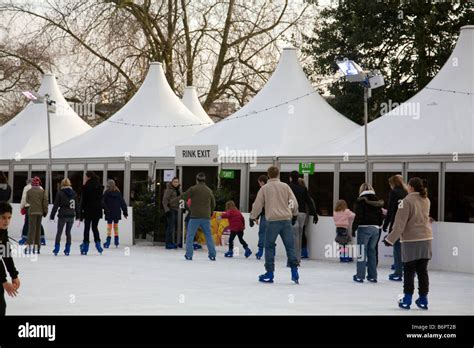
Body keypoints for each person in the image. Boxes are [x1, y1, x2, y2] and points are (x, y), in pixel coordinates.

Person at [384, 177, 433, 310]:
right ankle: (423, 299)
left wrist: (389, 239)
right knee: (422, 271)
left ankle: (407, 299)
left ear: (410, 187)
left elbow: (399, 225)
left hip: (411, 241)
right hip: (426, 240)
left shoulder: (405, 202)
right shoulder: (426, 200)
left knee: (409, 271)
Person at [250, 166, 299, 284]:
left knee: (269, 246)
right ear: (278, 174)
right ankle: (294, 271)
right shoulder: (285, 186)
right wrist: (293, 213)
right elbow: (293, 202)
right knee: (290, 247)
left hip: (272, 222)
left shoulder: (264, 188)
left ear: (268, 175)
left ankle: (270, 273)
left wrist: (253, 217)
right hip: (286, 220)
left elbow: (258, 204)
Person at [172, 172, 216, 261]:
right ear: (204, 180)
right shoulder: (208, 190)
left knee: (190, 235)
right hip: (206, 217)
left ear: (196, 180)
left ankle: (189, 255)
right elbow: (213, 203)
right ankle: (212, 254)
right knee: (208, 236)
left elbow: (183, 197)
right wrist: (210, 212)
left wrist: (172, 202)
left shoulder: (193, 189)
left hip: (195, 216)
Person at [352, 183, 384, 283]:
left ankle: (360, 275)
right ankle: (372, 276)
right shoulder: (377, 200)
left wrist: (354, 228)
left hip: (364, 228)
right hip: (375, 229)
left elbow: (359, 216)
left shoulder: (361, 200)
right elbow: (380, 216)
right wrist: (378, 226)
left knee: (362, 252)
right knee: (372, 252)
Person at [382, 175, 408, 281]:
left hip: (397, 223)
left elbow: (391, 209)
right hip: (407, 224)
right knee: (406, 250)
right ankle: (408, 271)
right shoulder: (407, 193)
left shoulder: (394, 193)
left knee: (397, 248)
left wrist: (386, 224)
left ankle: (398, 272)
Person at [288, 171, 317, 265]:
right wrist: (314, 213)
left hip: (292, 213)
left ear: (291, 178)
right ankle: (297, 258)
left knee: (293, 236)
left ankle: (293, 259)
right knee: (299, 236)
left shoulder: (288, 187)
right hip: (302, 214)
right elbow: (309, 201)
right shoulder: (303, 188)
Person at [50, 178, 80, 256]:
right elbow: (77, 205)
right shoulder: (74, 193)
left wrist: (52, 215)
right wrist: (78, 215)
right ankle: (67, 249)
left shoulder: (60, 193)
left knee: (59, 232)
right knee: (68, 232)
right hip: (71, 215)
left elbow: (56, 205)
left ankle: (56, 248)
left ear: (62, 184)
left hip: (62, 215)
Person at [0, 202, 20, 316]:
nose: (7, 221)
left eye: (9, 218)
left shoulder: (3, 231)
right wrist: (3, 281)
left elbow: (6, 254)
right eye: (3, 218)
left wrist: (14, 275)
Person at [79, 172, 104, 255]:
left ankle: (85, 246)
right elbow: (101, 200)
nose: (85, 178)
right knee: (94, 227)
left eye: (86, 177)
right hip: (97, 210)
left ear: (89, 177)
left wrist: (81, 212)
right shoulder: (99, 186)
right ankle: (98, 245)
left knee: (87, 228)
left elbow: (83, 201)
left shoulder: (86, 187)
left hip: (88, 210)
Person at [25, 176, 48, 254]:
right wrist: (45, 211)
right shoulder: (42, 191)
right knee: (38, 230)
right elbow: (45, 202)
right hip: (40, 212)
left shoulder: (29, 191)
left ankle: (28, 247)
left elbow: (27, 200)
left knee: (31, 230)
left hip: (32, 212)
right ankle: (37, 248)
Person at [102, 179, 128, 249]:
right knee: (116, 226)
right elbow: (123, 203)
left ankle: (108, 242)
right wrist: (125, 212)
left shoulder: (106, 193)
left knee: (109, 227)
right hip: (117, 212)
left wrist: (105, 208)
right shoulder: (118, 193)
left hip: (109, 212)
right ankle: (116, 241)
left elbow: (102, 202)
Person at [19, 179, 46, 246]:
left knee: (27, 223)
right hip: (39, 208)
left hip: (30, 207)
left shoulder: (27, 187)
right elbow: (44, 199)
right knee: (38, 224)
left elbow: (24, 198)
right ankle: (42, 238)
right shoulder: (41, 188)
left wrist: (22, 207)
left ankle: (24, 238)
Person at [298, 177, 317, 259]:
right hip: (305, 216)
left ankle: (303, 251)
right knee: (301, 233)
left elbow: (311, 204)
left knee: (300, 234)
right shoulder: (306, 194)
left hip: (302, 215)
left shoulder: (303, 194)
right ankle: (302, 251)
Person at [162, 177, 181, 249]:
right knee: (170, 227)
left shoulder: (177, 190)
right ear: (172, 182)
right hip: (170, 210)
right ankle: (168, 243)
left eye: (177, 182)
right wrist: (167, 210)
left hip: (175, 209)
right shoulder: (169, 190)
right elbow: (164, 201)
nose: (176, 183)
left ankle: (171, 242)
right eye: (174, 182)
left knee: (172, 227)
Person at [255, 175, 268, 260]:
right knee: (271, 234)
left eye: (259, 183)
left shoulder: (262, 190)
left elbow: (259, 205)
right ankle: (272, 252)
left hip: (265, 215)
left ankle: (260, 252)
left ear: (262, 182)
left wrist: (256, 216)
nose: (259, 185)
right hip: (274, 216)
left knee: (262, 233)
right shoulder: (273, 189)